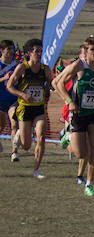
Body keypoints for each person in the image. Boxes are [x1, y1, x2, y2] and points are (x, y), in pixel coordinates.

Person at [52, 36, 94, 196]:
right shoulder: (79, 66)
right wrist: (69, 101)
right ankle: (65, 137)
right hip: (77, 114)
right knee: (81, 154)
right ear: (86, 51)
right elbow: (57, 84)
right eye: (93, 50)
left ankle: (90, 184)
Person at [5, 38, 51, 178]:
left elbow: (50, 84)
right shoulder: (22, 68)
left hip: (39, 108)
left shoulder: (45, 69)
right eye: (36, 51)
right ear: (29, 53)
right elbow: (9, 86)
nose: (39, 54)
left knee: (41, 137)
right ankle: (19, 133)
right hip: (25, 108)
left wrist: (49, 88)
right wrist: (22, 94)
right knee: (26, 146)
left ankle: (36, 170)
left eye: (40, 51)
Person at [0, 40, 20, 157]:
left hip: (13, 99)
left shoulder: (16, 65)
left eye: (12, 49)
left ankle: (14, 152)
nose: (12, 52)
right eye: (9, 49)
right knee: (2, 126)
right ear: (2, 51)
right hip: (1, 99)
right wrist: (4, 78)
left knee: (14, 124)